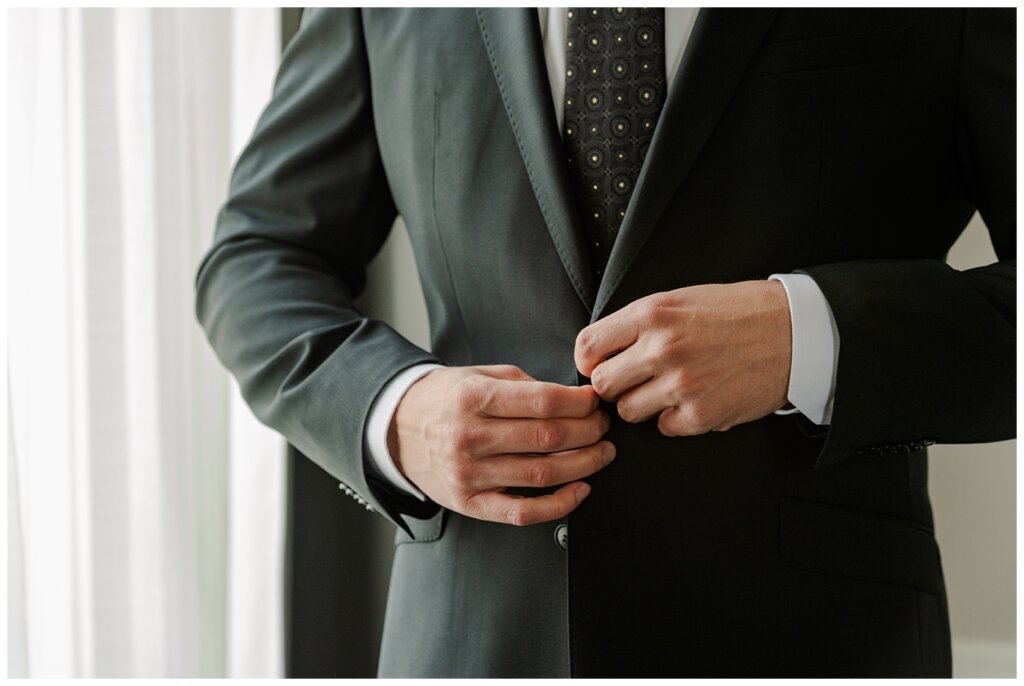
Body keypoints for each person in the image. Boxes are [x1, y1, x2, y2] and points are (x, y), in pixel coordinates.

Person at [195, 7, 1015, 677]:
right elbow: (257, 257)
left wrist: (811, 335)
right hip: (472, 644)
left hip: (814, 640)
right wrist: (393, 411)